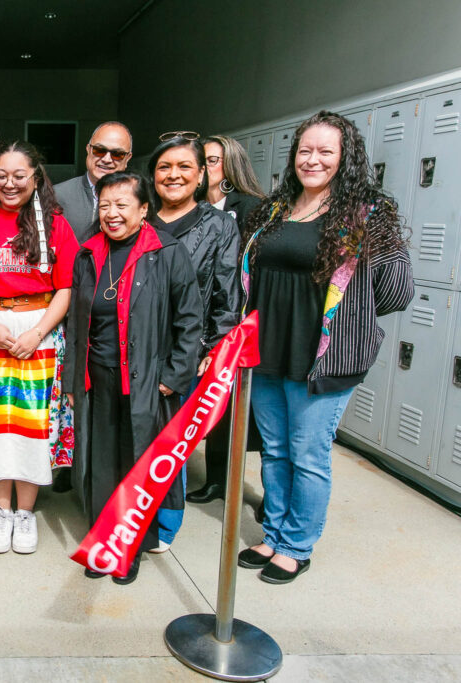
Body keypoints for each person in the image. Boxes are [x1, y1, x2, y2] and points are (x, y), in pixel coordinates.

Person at [237, 111, 413, 584]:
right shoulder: (275, 210)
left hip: (323, 358)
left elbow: (397, 291)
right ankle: (272, 534)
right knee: (273, 451)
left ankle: (297, 545)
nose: (312, 160)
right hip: (268, 351)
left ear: (345, 158)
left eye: (325, 152)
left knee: (308, 453)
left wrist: (349, 314)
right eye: (304, 151)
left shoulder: (367, 216)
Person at [64, 171, 202, 584]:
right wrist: (73, 380)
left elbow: (190, 320)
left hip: (146, 380)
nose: (112, 214)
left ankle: (132, 546)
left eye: (122, 205)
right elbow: (75, 324)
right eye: (104, 205)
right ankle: (102, 542)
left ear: (144, 210)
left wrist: (173, 377)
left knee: (136, 462)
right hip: (97, 379)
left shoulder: (167, 252)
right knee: (99, 463)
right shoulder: (88, 254)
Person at [0, 141, 79, 555]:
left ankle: (26, 512)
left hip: (39, 330)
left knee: (32, 424)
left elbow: (65, 289)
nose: (9, 184)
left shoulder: (56, 225)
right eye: (1, 175)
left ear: (36, 179)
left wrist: (37, 332)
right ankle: (1, 511)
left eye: (19, 176)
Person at [146, 133, 240, 552]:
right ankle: (131, 515)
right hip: (135, 350)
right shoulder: (138, 217)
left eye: (185, 166)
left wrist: (215, 349)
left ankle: (165, 524)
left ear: (202, 174)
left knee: (171, 443)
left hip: (187, 354)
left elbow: (227, 294)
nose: (174, 175)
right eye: (165, 167)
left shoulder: (219, 226)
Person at [186, 135, 266, 506]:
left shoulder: (252, 209)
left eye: (214, 160)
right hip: (204, 319)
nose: (206, 167)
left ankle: (259, 492)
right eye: (202, 160)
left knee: (241, 409)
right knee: (213, 406)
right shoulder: (191, 208)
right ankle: (216, 479)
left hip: (243, 318)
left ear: (229, 167)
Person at [55, 122, 133, 242]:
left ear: (127, 158)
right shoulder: (57, 195)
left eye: (117, 154)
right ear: (88, 150)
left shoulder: (137, 198)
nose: (106, 159)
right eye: (99, 150)